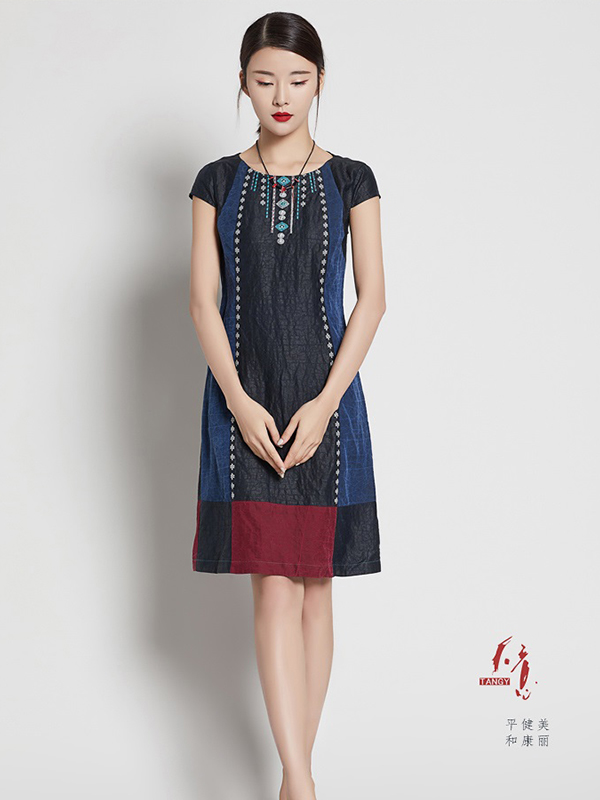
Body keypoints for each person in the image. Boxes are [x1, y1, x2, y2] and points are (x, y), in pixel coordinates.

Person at [188, 12, 386, 800]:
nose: (281, 95)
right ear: (242, 82)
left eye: (298, 80)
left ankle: (294, 774)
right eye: (265, 79)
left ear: (320, 82)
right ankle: (299, 781)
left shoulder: (353, 180)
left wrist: (326, 403)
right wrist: (238, 402)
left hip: (326, 404)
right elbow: (202, 303)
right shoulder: (215, 181)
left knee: (315, 586)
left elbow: (372, 300)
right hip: (244, 402)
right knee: (272, 584)